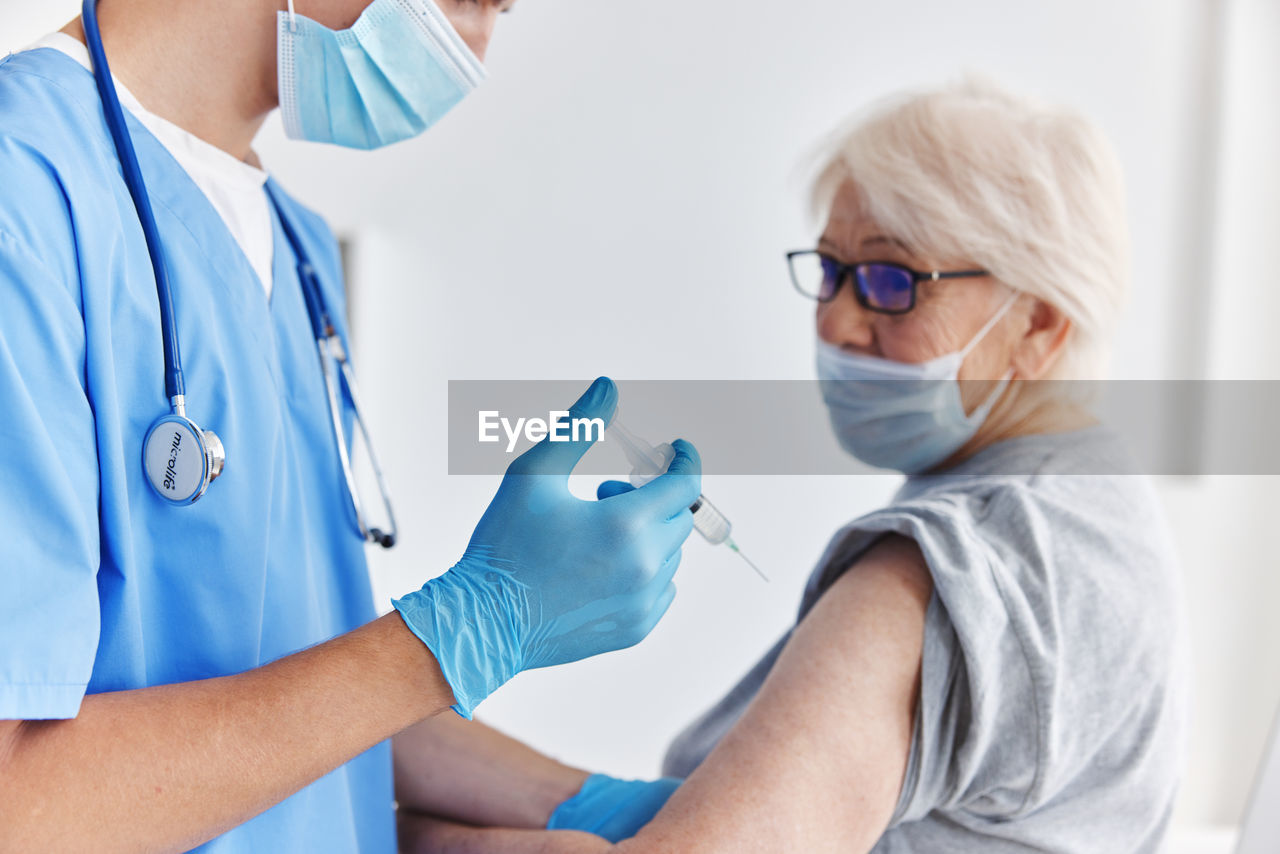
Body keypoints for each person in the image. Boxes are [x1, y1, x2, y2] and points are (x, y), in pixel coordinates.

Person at [397, 78, 1188, 853]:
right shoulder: (1095, 505)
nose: (837, 323)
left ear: (1039, 325)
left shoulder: (959, 564)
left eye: (891, 281)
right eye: (832, 271)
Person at [0, 1, 702, 851]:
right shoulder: (25, 189)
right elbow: (18, 802)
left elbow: (296, 692)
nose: (481, 42)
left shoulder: (295, 246)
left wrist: (571, 804)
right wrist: (461, 632)